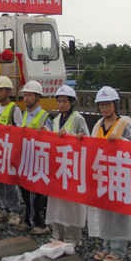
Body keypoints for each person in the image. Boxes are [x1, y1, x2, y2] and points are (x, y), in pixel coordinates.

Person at [88, 86, 131, 261]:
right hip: (103, 174)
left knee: (119, 214)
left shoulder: (125, 124)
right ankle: (106, 245)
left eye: (108, 104)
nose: (104, 108)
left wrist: (121, 141)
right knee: (104, 213)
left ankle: (118, 249)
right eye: (101, 105)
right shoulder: (98, 124)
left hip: (120, 174)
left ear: (115, 104)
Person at [46, 85, 90, 244]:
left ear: (71, 102)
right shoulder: (56, 119)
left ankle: (73, 237)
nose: (62, 104)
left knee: (72, 204)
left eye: (65, 101)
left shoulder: (78, 118)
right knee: (57, 203)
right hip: (59, 166)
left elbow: (87, 139)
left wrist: (73, 137)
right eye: (59, 101)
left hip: (73, 166)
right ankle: (58, 234)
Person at [18, 80, 53, 235]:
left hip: (38, 160)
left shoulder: (44, 116)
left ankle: (39, 222)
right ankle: (28, 219)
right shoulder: (25, 114)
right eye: (25, 95)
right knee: (26, 192)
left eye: (29, 95)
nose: (26, 98)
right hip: (27, 159)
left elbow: (51, 138)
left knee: (37, 194)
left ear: (38, 97)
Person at [0, 76, 24, 225]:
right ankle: (3, 208)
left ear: (8, 91)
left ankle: (14, 211)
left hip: (9, 151)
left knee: (10, 183)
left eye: (0, 90)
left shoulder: (14, 109)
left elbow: (18, 131)